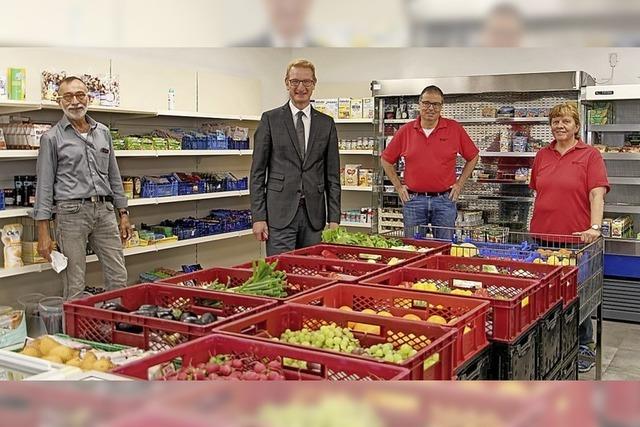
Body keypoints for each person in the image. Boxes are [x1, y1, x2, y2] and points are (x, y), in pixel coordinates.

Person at [34, 76, 132, 300]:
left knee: (118, 276)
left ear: (88, 98)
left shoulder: (103, 132)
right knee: (75, 282)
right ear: (60, 101)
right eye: (68, 96)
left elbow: (114, 175)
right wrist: (43, 232)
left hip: (105, 212)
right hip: (71, 214)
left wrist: (123, 212)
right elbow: (45, 186)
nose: (75, 102)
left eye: (80, 95)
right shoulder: (51, 138)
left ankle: (116, 329)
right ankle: (76, 333)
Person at [529, 102, 609, 373]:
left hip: (577, 239)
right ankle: (553, 343)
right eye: (555, 121)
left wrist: (595, 228)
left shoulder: (590, 155)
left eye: (565, 121)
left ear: (576, 125)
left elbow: (597, 193)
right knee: (546, 296)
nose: (559, 126)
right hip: (542, 237)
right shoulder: (542, 155)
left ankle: (584, 343)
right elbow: (537, 192)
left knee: (579, 294)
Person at [250, 59, 341, 255]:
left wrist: (334, 219)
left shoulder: (326, 124)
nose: (301, 87)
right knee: (280, 272)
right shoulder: (270, 120)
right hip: (279, 214)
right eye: (295, 81)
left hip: (314, 217)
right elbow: (257, 173)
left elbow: (333, 177)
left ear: (314, 84)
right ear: (286, 83)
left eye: (307, 82)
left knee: (313, 273)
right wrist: (258, 217)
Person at [381, 85, 479, 240]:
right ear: (419, 104)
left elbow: (473, 156)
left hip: (445, 201)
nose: (431, 108)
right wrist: (398, 187)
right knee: (413, 250)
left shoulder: (454, 129)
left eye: (436, 104)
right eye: (426, 103)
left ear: (441, 107)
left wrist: (460, 184)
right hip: (413, 201)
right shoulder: (405, 131)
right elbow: (386, 160)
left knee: (444, 248)